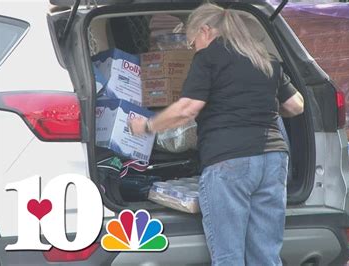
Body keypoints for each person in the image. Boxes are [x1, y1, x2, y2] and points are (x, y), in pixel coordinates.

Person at [129, 3, 304, 265]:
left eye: (192, 42)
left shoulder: (209, 56)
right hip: (273, 161)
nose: (193, 49)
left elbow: (188, 108)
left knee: (228, 257)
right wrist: (257, 103)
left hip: (230, 162)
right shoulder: (264, 57)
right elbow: (296, 105)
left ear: (205, 30)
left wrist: (147, 126)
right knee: (266, 255)